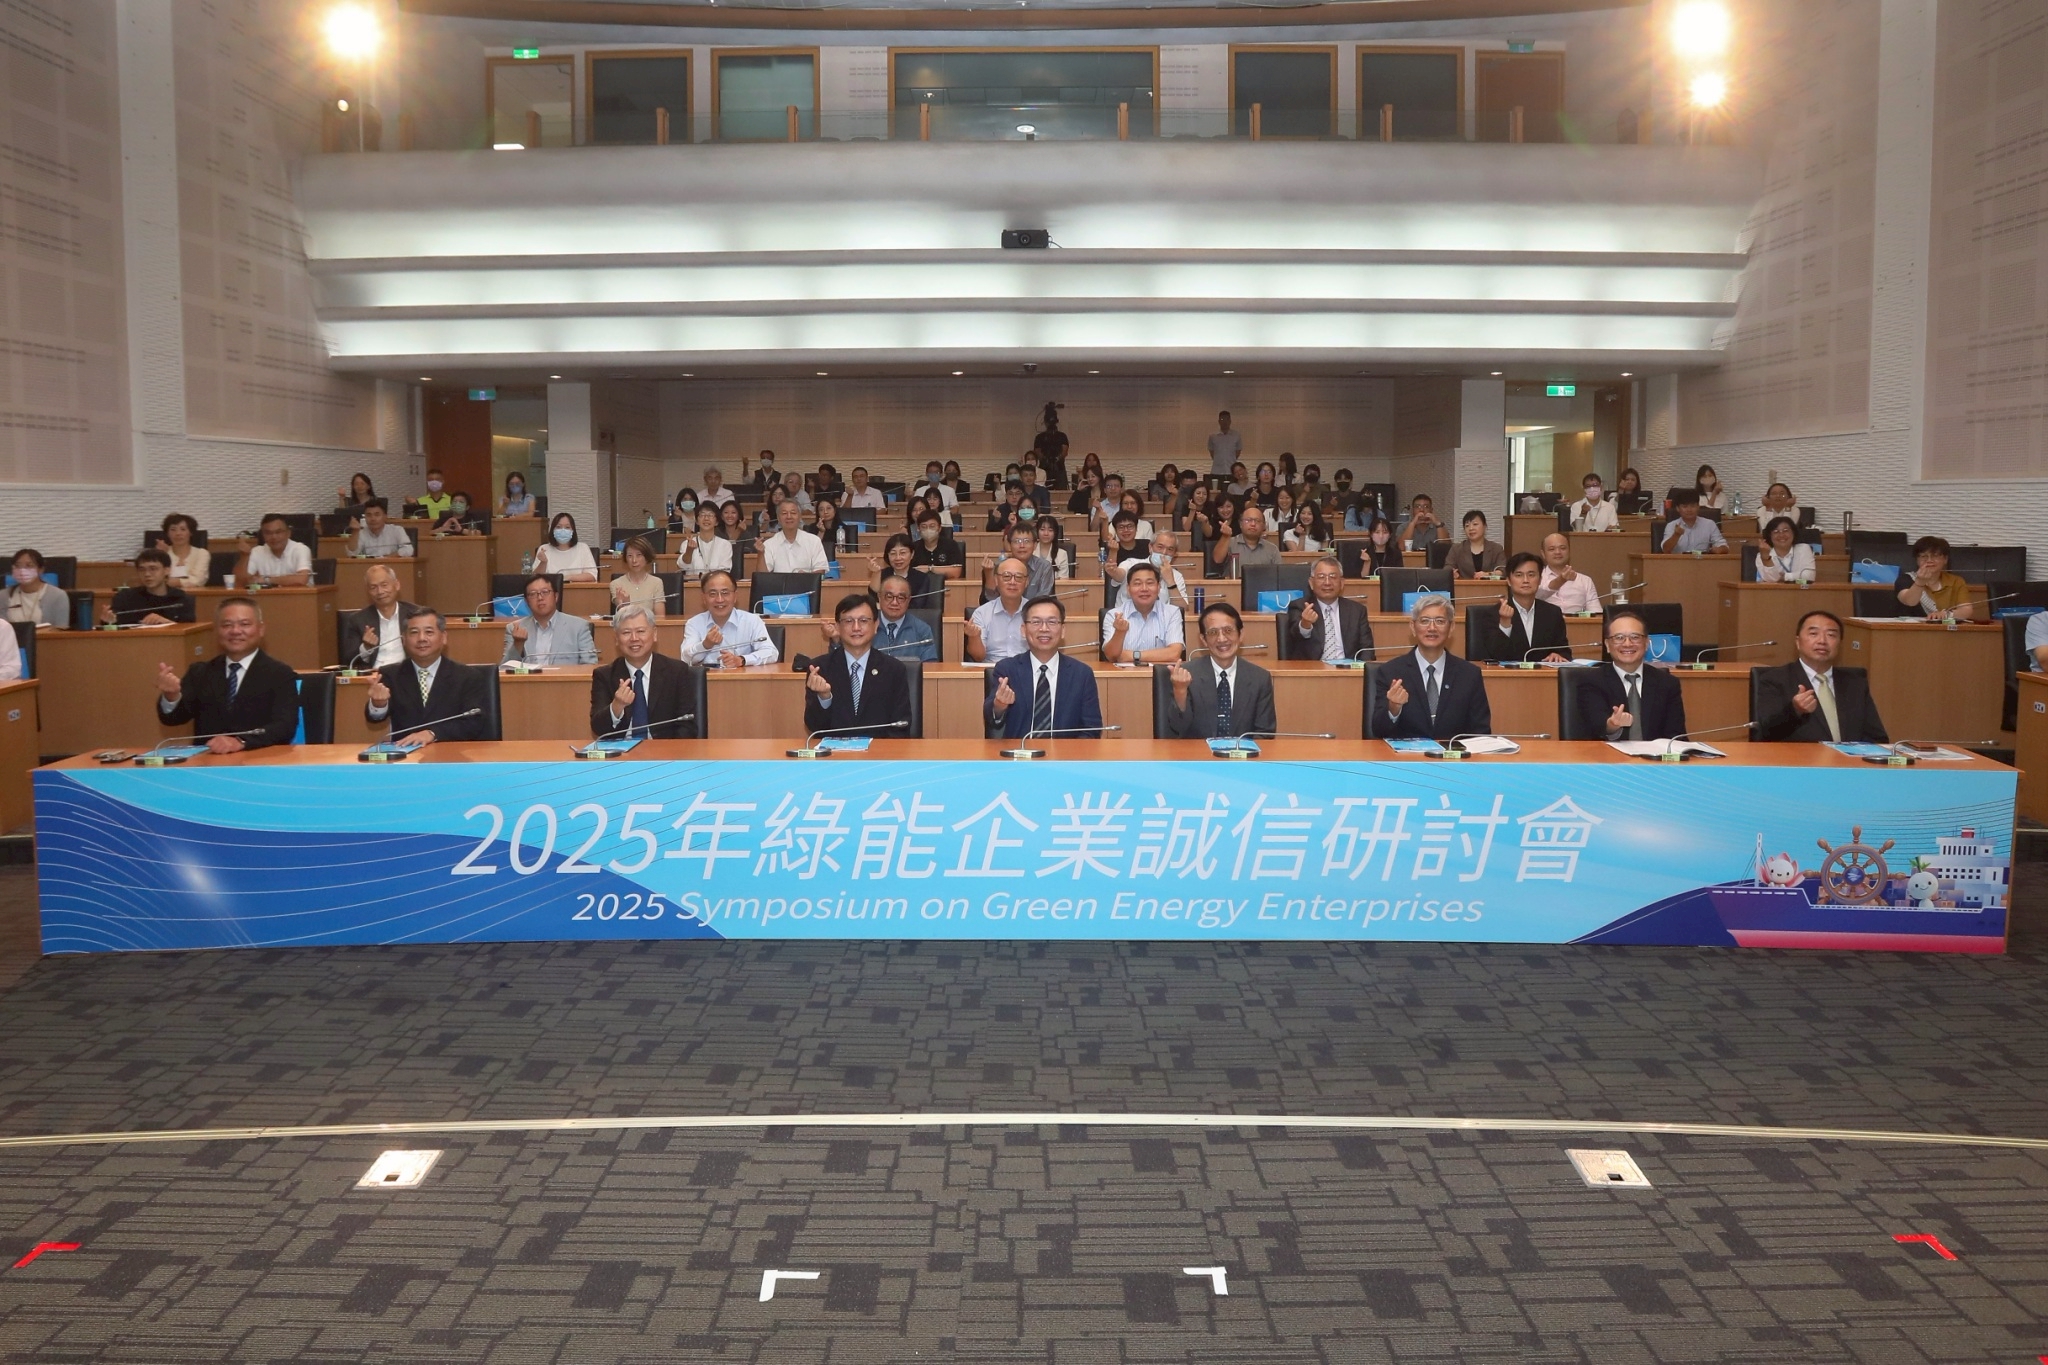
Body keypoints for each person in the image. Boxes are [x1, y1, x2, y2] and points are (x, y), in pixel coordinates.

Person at [154, 597, 298, 751]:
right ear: (217, 630)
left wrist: (241, 742)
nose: (235, 631)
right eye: (227, 625)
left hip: (259, 760)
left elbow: (284, 727)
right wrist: (172, 697)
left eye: (245, 624)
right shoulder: (200, 672)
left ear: (261, 629)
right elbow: (173, 719)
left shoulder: (280, 674)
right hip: (208, 763)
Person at [1369, 594, 1492, 741]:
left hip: (1453, 761)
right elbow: (1378, 730)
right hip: (1405, 761)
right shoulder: (1391, 672)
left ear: (1451, 627)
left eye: (1440, 621)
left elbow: (1481, 733)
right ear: (1413, 627)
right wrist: (1393, 709)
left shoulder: (1469, 675)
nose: (1432, 628)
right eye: (1424, 621)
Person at [1754, 609, 1888, 743]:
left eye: (1831, 635)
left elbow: (1877, 737)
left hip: (1848, 762)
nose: (1822, 641)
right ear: (1798, 642)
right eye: (1813, 634)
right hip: (1799, 761)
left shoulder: (1855, 683)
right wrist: (1794, 710)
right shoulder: (1775, 679)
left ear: (1840, 644)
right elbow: (1766, 732)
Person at [363, 610, 490, 747]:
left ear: (444, 637)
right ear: (403, 640)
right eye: (414, 632)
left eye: (429, 632)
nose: (421, 638)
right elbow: (375, 719)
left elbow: (474, 722)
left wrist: (433, 733)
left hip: (453, 755)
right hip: (407, 758)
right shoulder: (390, 674)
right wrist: (378, 704)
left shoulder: (468, 676)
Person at [987, 595, 1102, 739]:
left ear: (1063, 630)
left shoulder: (1081, 674)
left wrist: (1069, 756)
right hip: (1020, 756)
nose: (1044, 628)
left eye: (1052, 622)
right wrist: (999, 706)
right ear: (1023, 630)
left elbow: (1092, 729)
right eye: (1036, 622)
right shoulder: (1007, 669)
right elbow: (991, 718)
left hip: (1065, 757)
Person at [803, 592, 914, 738]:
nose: (856, 628)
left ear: (875, 625)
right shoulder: (819, 668)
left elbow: (901, 725)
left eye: (863, 620)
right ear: (837, 626)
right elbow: (814, 727)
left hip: (879, 755)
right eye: (848, 621)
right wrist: (824, 698)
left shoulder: (894, 670)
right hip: (836, 755)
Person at [1162, 601, 1275, 740]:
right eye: (1213, 632)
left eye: (1228, 631)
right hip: (1198, 757)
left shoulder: (1259, 678)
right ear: (1203, 639)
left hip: (1242, 758)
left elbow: (1265, 734)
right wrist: (1180, 691)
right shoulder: (1185, 675)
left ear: (1241, 634)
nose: (1221, 639)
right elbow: (1177, 728)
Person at [589, 604, 698, 739]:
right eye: (626, 632)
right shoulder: (604, 675)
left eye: (640, 631)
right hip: (621, 754)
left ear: (654, 634)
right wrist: (616, 706)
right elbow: (598, 729)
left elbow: (687, 726)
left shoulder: (677, 672)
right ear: (616, 639)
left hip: (663, 752)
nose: (634, 638)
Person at [1579, 608, 1688, 742]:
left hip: (1654, 760)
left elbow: (1676, 736)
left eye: (1635, 637)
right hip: (1608, 759)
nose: (1627, 644)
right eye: (1619, 638)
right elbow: (1593, 728)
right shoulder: (1591, 681)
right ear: (1607, 645)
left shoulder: (1667, 683)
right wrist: (1612, 726)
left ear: (1647, 643)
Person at [1474, 552, 1569, 663]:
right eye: (1519, 575)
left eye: (1531, 575)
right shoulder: (1493, 613)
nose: (1525, 580)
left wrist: (1558, 654)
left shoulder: (1553, 613)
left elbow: (1565, 651)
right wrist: (1505, 625)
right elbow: (1495, 655)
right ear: (1509, 580)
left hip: (1544, 677)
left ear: (1540, 580)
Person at [681, 570, 779, 669]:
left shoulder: (752, 621)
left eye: (725, 593)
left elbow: (771, 653)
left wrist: (742, 660)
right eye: (712, 594)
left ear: (735, 596)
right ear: (704, 598)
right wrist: (706, 645)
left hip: (742, 682)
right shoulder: (694, 623)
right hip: (707, 682)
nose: (719, 600)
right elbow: (685, 658)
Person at [1287, 556, 1373, 662]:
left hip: (1347, 672)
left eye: (1332, 577)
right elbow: (1293, 638)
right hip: (1313, 672)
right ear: (1311, 583)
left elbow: (1367, 650)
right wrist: (1305, 624)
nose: (1327, 582)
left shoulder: (1357, 611)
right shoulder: (1299, 606)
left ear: (1342, 583)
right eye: (1321, 577)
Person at [502, 574, 598, 665]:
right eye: (533, 594)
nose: (540, 597)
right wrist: (518, 644)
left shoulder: (578, 627)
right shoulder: (514, 628)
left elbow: (590, 666)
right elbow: (505, 669)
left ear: (556, 597)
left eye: (545, 592)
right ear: (526, 601)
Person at [340, 563, 421, 669]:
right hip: (374, 676)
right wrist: (366, 647)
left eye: (384, 585)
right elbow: (349, 661)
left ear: (397, 585)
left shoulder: (416, 615)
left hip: (407, 675)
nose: (380, 591)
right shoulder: (358, 620)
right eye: (373, 587)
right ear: (368, 591)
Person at [1101, 562, 1184, 665]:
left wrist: (1133, 655)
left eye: (1150, 583)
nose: (1144, 589)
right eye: (1137, 583)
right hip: (1124, 676)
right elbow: (1111, 656)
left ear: (1158, 588)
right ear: (1128, 589)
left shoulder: (1172, 613)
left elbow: (1174, 654)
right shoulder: (1114, 615)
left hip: (1162, 676)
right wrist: (1119, 632)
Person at [104, 549, 196, 626]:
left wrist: (168, 623)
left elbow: (189, 633)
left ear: (167, 570)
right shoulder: (125, 598)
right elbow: (111, 629)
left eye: (153, 569)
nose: (147, 574)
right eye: (142, 570)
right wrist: (108, 621)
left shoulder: (181, 599)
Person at [966, 558, 1031, 663]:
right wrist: (974, 637)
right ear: (996, 580)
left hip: (1026, 671)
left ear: (1026, 582)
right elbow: (978, 657)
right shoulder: (982, 613)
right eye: (1006, 576)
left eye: (1018, 577)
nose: (1012, 582)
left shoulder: (1036, 612)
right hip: (992, 670)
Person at [1896, 535, 1975, 620]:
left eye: (1935, 555)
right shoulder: (1905, 579)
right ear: (1917, 560)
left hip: (1946, 630)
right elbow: (1910, 602)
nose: (1929, 560)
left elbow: (1966, 610)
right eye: (1923, 556)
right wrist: (1920, 582)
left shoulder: (1956, 581)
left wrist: (1946, 614)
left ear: (1945, 559)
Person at [872, 575, 938, 661]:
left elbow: (930, 667)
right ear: (879, 597)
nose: (894, 603)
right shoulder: (866, 626)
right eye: (889, 596)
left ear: (908, 600)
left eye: (901, 597)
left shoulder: (922, 630)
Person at [1537, 533, 1604, 614]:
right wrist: (1561, 579)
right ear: (1543, 554)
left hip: (1578, 625)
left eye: (1563, 548)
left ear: (1569, 551)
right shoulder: (1536, 578)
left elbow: (1596, 612)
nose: (1558, 552)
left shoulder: (1585, 580)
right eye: (1552, 549)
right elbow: (1539, 595)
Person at [986, 523, 1056, 600]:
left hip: (1035, 611)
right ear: (1009, 545)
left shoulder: (1044, 567)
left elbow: (1044, 598)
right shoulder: (1000, 566)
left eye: (1026, 541)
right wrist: (989, 574)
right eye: (1017, 541)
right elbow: (991, 599)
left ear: (1035, 545)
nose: (1022, 546)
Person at [760, 498, 829, 574]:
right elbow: (763, 576)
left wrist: (806, 577)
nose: (789, 516)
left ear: (800, 517)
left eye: (793, 513)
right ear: (778, 518)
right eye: (784, 513)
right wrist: (760, 554)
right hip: (779, 585)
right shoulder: (769, 544)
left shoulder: (814, 541)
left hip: (806, 585)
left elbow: (821, 570)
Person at [244, 514, 313, 586]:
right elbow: (244, 581)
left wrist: (266, 580)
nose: (274, 537)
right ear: (263, 535)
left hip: (299, 596)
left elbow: (301, 579)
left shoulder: (301, 549)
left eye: (278, 532)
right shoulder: (257, 551)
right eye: (268, 533)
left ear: (288, 533)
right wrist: (244, 557)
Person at [7, 550, 68, 628]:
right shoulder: (3, 596)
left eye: (29, 566)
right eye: (18, 566)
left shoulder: (58, 596)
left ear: (40, 570)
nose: (22, 571)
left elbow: (61, 632)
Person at [1212, 506, 1283, 573]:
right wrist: (1225, 537)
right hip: (1235, 585)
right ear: (1240, 524)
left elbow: (1280, 575)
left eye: (1257, 521)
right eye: (1248, 520)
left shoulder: (1272, 549)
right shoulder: (1229, 543)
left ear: (1264, 526)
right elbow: (1217, 560)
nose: (1253, 524)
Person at [532, 512, 598, 581]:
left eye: (567, 527)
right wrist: (543, 562)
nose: (563, 530)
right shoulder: (544, 549)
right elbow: (535, 579)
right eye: (558, 527)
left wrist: (565, 578)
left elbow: (592, 576)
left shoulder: (583, 548)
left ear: (573, 530)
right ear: (552, 530)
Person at [610, 536, 666, 617]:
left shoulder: (657, 583)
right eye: (630, 556)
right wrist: (625, 605)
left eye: (639, 555)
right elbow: (621, 618)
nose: (634, 560)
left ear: (646, 557)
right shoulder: (616, 584)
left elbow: (660, 617)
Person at [1660, 490, 1728, 554]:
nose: (1689, 510)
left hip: (1702, 563)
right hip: (1678, 563)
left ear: (1698, 507)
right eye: (1685, 506)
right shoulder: (1671, 525)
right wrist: (1676, 535)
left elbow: (1724, 546)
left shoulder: (1709, 524)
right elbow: (1665, 550)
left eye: (1693, 506)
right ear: (1678, 508)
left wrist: (1719, 549)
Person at [677, 503, 733, 579]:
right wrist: (689, 551)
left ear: (716, 522)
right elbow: (682, 567)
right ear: (696, 521)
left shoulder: (725, 545)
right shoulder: (687, 543)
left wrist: (699, 576)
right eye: (702, 515)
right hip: (693, 586)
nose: (706, 518)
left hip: (716, 585)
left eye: (710, 515)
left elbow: (724, 572)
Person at [1755, 516, 1817, 584]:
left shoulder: (1804, 549)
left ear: (1793, 532)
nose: (1781, 535)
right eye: (1776, 531)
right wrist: (1766, 559)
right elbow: (1771, 580)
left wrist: (1784, 577)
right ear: (1769, 536)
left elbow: (1809, 577)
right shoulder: (1762, 556)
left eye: (1786, 530)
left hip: (1800, 592)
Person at [1446, 510, 1506, 578]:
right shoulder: (1456, 549)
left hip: (1489, 587)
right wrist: (1452, 573)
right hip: (1463, 587)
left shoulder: (1496, 549)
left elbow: (1503, 571)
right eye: (1467, 526)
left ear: (1485, 526)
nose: (1471, 528)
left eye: (1475, 524)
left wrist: (1487, 575)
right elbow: (1448, 567)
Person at [156, 514, 211, 586]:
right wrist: (159, 554)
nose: (178, 533)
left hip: (195, 595)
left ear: (191, 532)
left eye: (183, 529)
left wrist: (170, 582)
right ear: (167, 533)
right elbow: (155, 578)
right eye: (173, 529)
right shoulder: (163, 552)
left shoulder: (202, 553)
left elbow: (198, 580)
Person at [909, 510, 963, 580]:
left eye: (932, 526)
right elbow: (909, 572)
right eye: (924, 527)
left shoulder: (951, 545)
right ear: (918, 529)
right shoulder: (913, 548)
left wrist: (930, 568)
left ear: (939, 528)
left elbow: (956, 572)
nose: (928, 530)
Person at [1034, 415, 1070, 487]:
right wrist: (1046, 460)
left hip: (1059, 468)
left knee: (1061, 491)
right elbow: (1037, 452)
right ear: (1045, 423)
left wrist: (1057, 459)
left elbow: (1065, 451)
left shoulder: (1062, 436)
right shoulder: (1040, 437)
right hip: (1044, 467)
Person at [1034, 516, 1071, 581]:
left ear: (1055, 533)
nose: (1046, 533)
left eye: (1050, 530)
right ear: (1037, 531)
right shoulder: (1030, 551)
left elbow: (1063, 581)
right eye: (1042, 529)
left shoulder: (1062, 554)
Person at [1207, 410, 1242, 479]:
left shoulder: (1236, 435)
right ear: (1219, 421)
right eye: (1222, 419)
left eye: (1227, 419)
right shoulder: (1213, 436)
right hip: (1217, 470)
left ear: (1230, 421)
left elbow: (1237, 452)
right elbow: (1212, 453)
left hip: (1232, 470)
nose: (1225, 421)